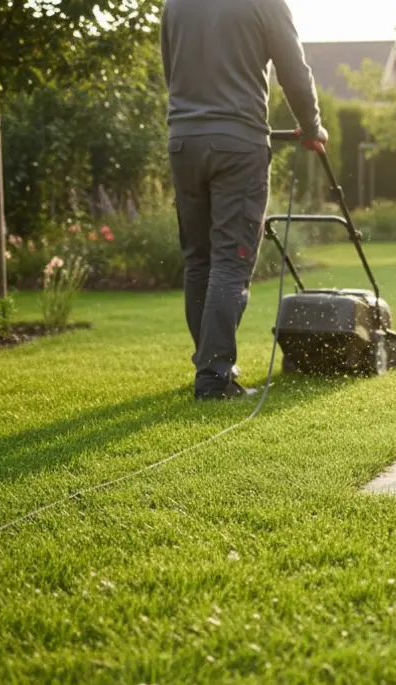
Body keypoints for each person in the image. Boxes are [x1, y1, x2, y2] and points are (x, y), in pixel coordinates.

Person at [160, 0, 328, 400]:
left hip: (183, 141)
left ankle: (208, 363)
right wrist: (312, 127)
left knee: (198, 260)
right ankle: (214, 377)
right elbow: (293, 70)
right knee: (230, 262)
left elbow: (172, 70)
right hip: (237, 144)